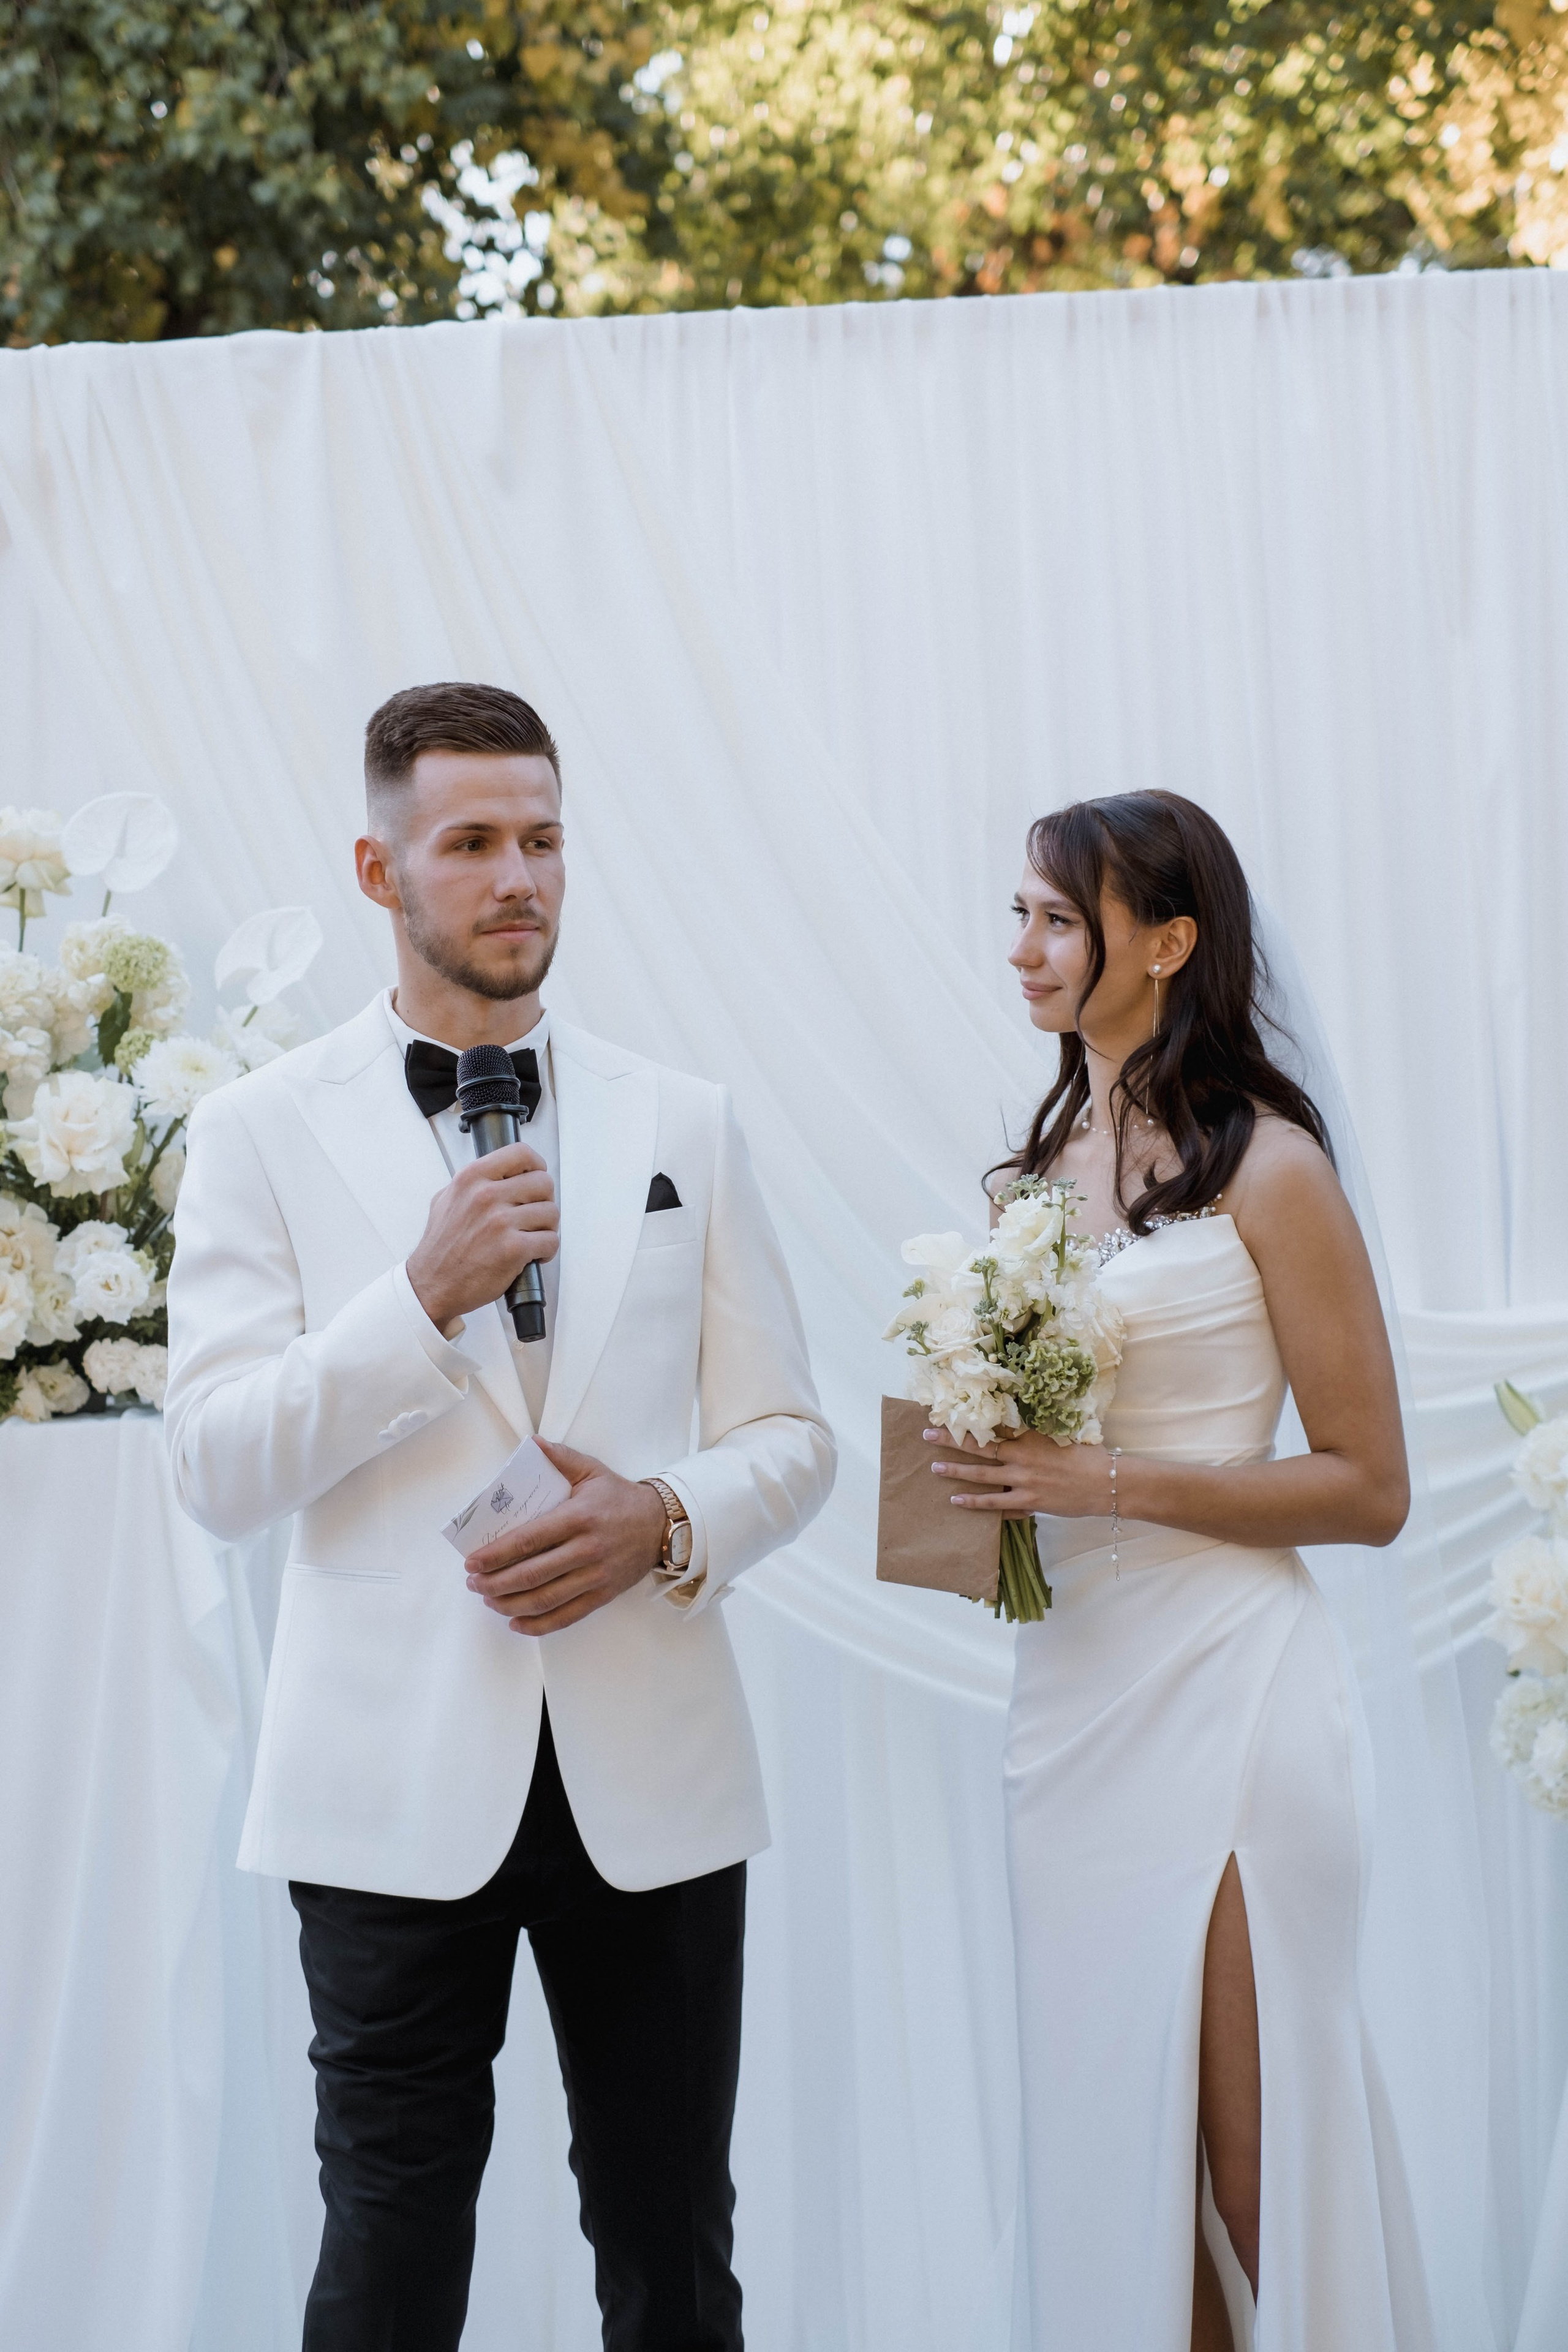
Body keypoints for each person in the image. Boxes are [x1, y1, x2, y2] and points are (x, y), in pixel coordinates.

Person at [164, 680, 834, 2352]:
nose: (517, 876)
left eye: (542, 839)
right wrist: (417, 1298)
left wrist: (665, 1516)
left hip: (652, 1772)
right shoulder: (257, 1134)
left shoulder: (687, 1120)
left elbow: (794, 1437)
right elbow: (219, 1468)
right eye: (471, 842)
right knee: (388, 2255)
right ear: (380, 870)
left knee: (673, 2252)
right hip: (384, 1785)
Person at [926, 791, 1434, 2351]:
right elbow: (1020, 1465)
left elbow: (1370, 1488)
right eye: (1016, 911)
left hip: (1227, 1694)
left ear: (1166, 941)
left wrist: (1105, 1481)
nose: (1019, 949)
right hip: (1064, 1707)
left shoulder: (1269, 1169)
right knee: (1111, 2162)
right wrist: (963, 1482)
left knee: (1247, 2155)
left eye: (1057, 920)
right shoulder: (1022, 1185)